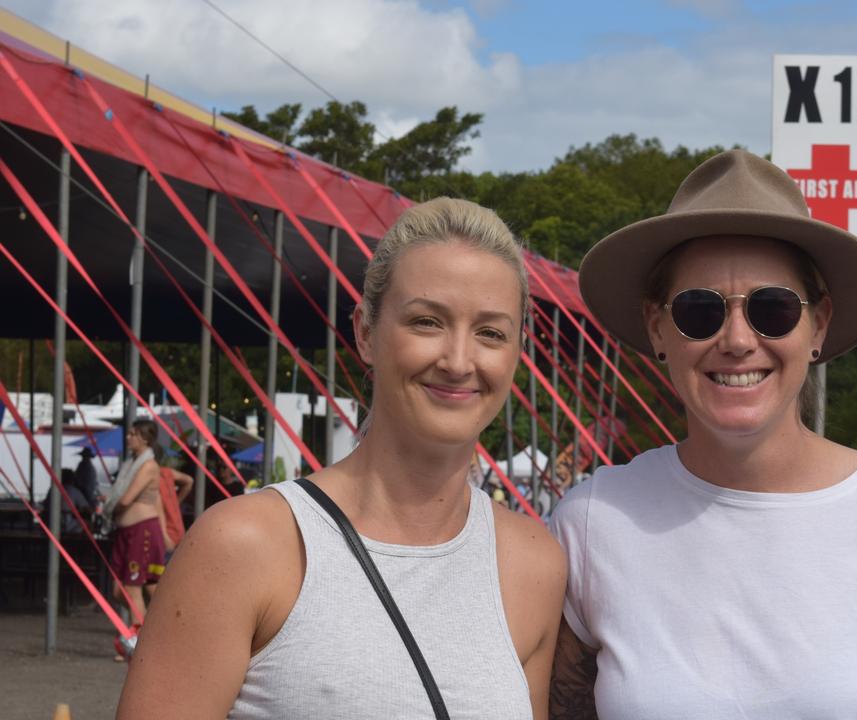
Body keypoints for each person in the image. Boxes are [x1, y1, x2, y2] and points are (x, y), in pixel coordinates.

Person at [549, 150, 857, 719]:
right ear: (658, 327)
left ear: (820, 324)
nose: (738, 339)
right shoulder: (593, 520)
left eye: (773, 308)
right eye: (699, 311)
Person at [118, 198, 567, 718]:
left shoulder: (533, 564)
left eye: (491, 332)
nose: (459, 360)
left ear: (516, 353)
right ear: (365, 333)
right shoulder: (246, 545)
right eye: (427, 321)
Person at [102, 420, 165, 624]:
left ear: (144, 438)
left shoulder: (148, 466)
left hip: (142, 530)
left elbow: (126, 499)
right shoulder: (130, 463)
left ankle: (138, 641)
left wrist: (110, 507)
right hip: (126, 531)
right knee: (119, 590)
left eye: (132, 434)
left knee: (132, 588)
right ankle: (150, 626)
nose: (128, 437)